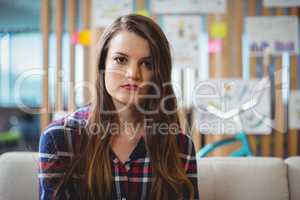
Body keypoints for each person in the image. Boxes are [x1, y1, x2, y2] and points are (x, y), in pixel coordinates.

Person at [39, 14, 199, 200]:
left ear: (158, 74)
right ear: (103, 66)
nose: (133, 74)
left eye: (147, 64)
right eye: (121, 60)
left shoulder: (180, 146)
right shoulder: (59, 138)